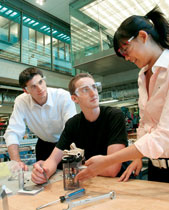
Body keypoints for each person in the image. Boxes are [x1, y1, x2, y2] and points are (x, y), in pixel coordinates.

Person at [76, 6, 169, 183]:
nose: (126, 58)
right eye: (121, 54)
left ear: (143, 36)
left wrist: (107, 161)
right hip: (156, 170)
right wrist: (137, 157)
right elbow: (145, 123)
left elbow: (165, 135)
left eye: (125, 50)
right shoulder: (143, 76)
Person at [31, 73, 128, 184]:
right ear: (74, 98)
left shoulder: (114, 116)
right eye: (85, 90)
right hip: (90, 181)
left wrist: (74, 168)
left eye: (94, 87)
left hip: (118, 183)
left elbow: (112, 169)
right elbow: (53, 159)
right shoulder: (73, 124)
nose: (93, 93)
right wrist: (43, 172)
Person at [4, 67, 76, 170]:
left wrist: (53, 160)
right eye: (33, 86)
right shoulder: (21, 102)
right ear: (26, 90)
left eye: (41, 82)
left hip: (65, 143)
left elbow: (71, 130)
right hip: (43, 145)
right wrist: (17, 162)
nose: (40, 88)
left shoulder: (63, 96)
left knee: (68, 178)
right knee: (42, 178)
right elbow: (13, 132)